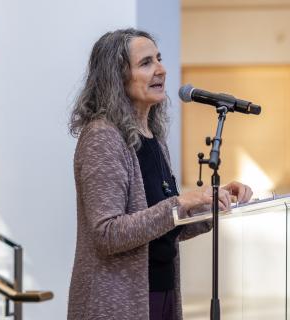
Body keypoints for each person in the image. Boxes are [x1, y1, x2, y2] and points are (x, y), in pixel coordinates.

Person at [67, 28, 253, 320]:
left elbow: (165, 226)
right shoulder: (102, 137)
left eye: (159, 59)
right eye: (146, 63)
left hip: (161, 294)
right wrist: (181, 203)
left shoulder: (153, 138)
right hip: (118, 303)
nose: (161, 70)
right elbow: (108, 233)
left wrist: (212, 202)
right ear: (116, 77)